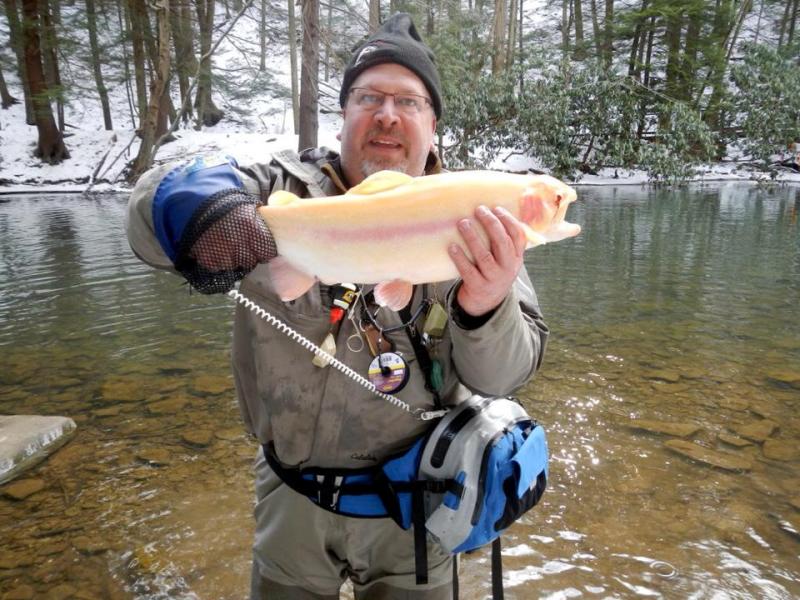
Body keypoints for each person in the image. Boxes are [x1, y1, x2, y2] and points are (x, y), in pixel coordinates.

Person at [126, 13, 549, 600]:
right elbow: (146, 217)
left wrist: (485, 303)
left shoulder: (479, 217)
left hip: (417, 511)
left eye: (409, 100)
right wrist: (201, 209)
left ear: (433, 125)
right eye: (368, 96)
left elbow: (506, 376)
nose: (386, 115)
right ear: (344, 113)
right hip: (290, 501)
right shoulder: (279, 190)